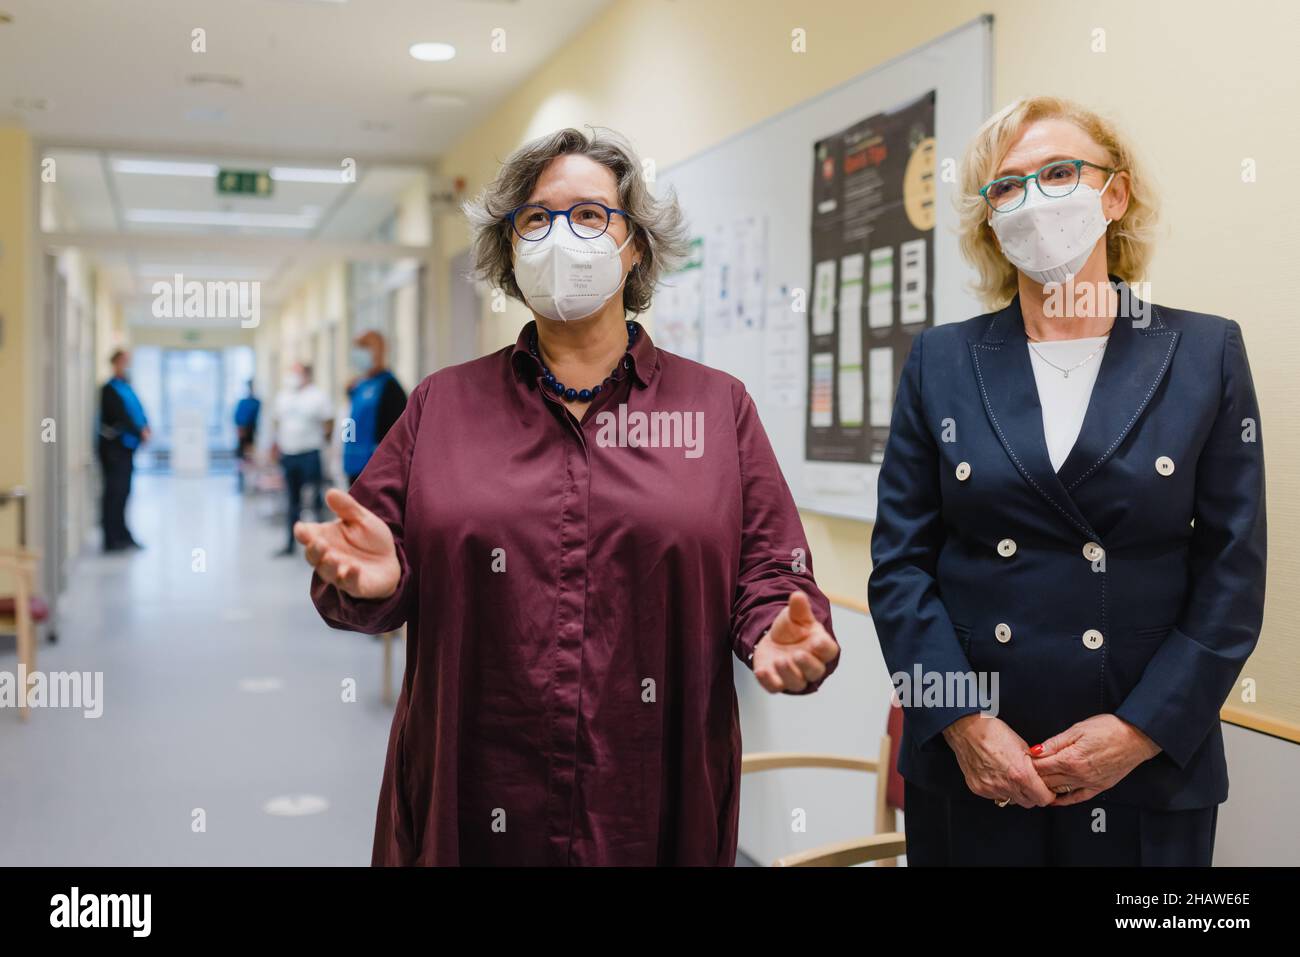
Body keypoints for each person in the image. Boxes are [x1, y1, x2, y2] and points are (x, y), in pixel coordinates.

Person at [295, 127, 841, 865]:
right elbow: (366, 566)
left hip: (650, 802)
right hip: (474, 794)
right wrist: (378, 583)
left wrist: (779, 626)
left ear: (636, 244)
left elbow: (771, 569)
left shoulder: (717, 409)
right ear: (510, 248)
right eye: (536, 218)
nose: (562, 236)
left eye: (590, 215)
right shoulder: (442, 407)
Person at [869, 96, 1266, 866]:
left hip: (1147, 766)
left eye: (1058, 172)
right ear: (989, 218)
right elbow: (900, 568)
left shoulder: (1203, 352)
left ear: (1114, 195)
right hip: (977, 767)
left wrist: (1141, 729)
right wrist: (964, 722)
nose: (1032, 199)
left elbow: (1232, 574)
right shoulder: (941, 362)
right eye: (1007, 187)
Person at [272, 362, 332, 557]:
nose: (292, 376)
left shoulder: (318, 396)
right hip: (289, 454)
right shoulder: (283, 396)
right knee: (292, 501)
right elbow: (277, 422)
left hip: (310, 453)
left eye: (296, 372)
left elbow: (328, 423)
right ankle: (290, 543)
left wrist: (324, 444)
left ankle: (320, 545)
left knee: (315, 500)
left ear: (307, 374)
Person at [97, 349, 151, 552]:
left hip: (126, 449)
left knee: (123, 493)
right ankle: (111, 539)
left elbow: (137, 411)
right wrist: (140, 431)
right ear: (115, 362)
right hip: (113, 450)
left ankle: (122, 534)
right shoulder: (109, 389)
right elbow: (121, 416)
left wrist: (146, 427)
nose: (126, 365)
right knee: (114, 494)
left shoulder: (126, 387)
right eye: (124, 361)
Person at [342, 331, 407, 486]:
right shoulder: (358, 386)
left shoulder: (390, 387)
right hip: (353, 466)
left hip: (376, 471)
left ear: (376, 351)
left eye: (363, 348)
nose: (357, 354)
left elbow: (396, 434)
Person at [233, 379, 261, 493]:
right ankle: (241, 479)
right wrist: (241, 430)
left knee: (250, 457)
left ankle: (251, 481)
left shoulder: (256, 402)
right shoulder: (243, 402)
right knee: (241, 457)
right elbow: (237, 417)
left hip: (251, 431)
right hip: (243, 432)